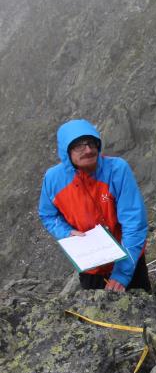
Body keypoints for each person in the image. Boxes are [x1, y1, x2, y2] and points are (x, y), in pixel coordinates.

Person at [38, 119, 150, 292]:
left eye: (91, 143)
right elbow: (48, 215)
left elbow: (134, 223)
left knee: (144, 314)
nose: (88, 150)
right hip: (92, 267)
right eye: (79, 146)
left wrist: (122, 273)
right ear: (66, 151)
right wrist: (66, 232)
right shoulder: (53, 180)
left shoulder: (117, 170)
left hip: (128, 260)